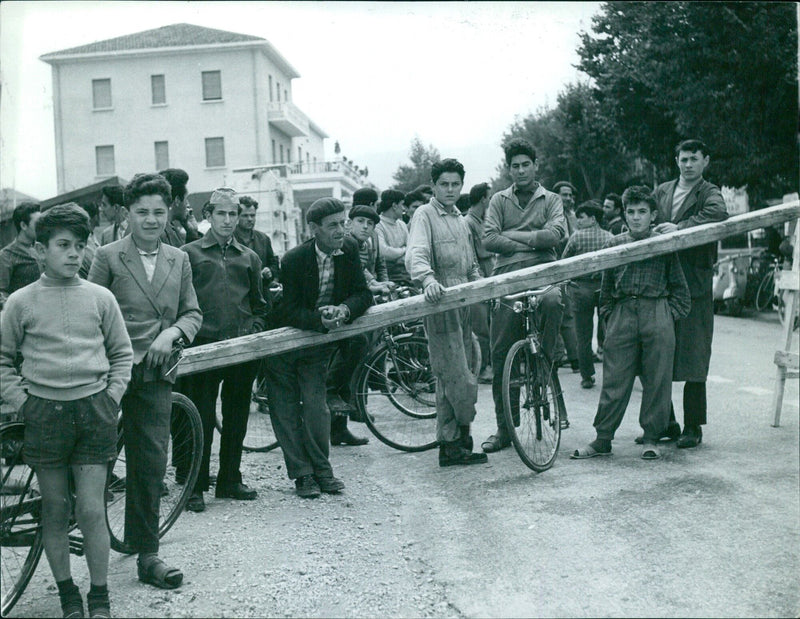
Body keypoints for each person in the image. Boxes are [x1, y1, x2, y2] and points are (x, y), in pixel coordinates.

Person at [0, 204, 133, 618]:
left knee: (91, 509)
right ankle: (67, 594)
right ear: (40, 250)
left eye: (81, 244)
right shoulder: (21, 302)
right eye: (63, 245)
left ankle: (99, 594)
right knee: (54, 508)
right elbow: (3, 360)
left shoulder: (100, 297)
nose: (74, 253)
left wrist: (112, 395)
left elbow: (122, 353)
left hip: (95, 411)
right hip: (45, 413)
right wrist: (24, 402)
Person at [88, 173, 202, 591]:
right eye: (142, 212)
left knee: (151, 461)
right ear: (127, 214)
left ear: (169, 211)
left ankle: (148, 553)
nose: (151, 220)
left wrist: (171, 334)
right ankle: (85, 547)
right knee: (93, 460)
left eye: (158, 212)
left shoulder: (179, 258)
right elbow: (90, 311)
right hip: (111, 370)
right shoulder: (108, 256)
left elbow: (192, 312)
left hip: (156, 373)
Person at [571, 186, 690, 461]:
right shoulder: (613, 245)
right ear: (624, 214)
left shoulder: (663, 245)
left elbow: (680, 291)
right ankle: (602, 439)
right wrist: (611, 317)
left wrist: (666, 315)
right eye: (631, 212)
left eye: (642, 212)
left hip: (656, 310)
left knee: (657, 379)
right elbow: (606, 288)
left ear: (653, 215)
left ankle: (651, 437)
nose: (636, 218)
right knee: (614, 378)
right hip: (623, 312)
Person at [264, 197, 372, 497]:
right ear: (314, 229)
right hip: (283, 347)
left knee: (316, 409)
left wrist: (344, 310)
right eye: (333, 225)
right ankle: (303, 476)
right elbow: (285, 310)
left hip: (316, 345)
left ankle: (323, 472)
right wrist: (319, 319)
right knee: (285, 410)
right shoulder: (294, 260)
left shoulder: (349, 250)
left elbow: (363, 294)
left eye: (343, 222)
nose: (341, 230)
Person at [180, 188, 269, 512]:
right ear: (208, 215)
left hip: (241, 350)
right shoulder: (188, 254)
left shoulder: (250, 256)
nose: (229, 220)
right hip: (202, 349)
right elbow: (179, 303)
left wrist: (255, 330)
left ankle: (230, 479)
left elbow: (260, 305)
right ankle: (195, 486)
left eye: (233, 214)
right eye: (222, 213)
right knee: (199, 418)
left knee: (236, 417)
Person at [482, 138, 568, 453]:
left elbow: (556, 235)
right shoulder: (498, 200)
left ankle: (544, 365)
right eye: (515, 166)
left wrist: (513, 236)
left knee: (552, 301)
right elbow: (489, 239)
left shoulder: (552, 199)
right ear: (509, 169)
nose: (520, 170)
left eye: (525, 164)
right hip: (506, 278)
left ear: (535, 166)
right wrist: (534, 240)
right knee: (501, 352)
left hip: (544, 271)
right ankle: (505, 430)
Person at [406, 158, 487, 467]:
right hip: (440, 302)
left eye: (456, 184)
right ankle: (455, 444)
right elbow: (417, 253)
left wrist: (480, 284)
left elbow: (472, 264)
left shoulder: (460, 219)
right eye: (444, 184)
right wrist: (427, 280)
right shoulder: (424, 215)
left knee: (462, 371)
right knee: (455, 376)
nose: (450, 190)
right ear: (434, 185)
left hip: (463, 301)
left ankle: (455, 445)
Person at [652, 139, 728, 448]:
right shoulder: (662, 191)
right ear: (676, 161)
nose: (688, 164)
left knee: (695, 353)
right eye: (683, 159)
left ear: (705, 161)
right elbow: (648, 216)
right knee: (658, 351)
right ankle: (665, 422)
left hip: (695, 281)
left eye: (694, 159)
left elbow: (718, 213)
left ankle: (693, 426)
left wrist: (679, 227)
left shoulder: (710, 192)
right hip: (663, 281)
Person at [561, 201, 613, 389]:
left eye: (581, 217)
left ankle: (587, 376)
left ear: (593, 219)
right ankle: (612, 372)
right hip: (604, 287)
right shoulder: (609, 237)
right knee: (610, 332)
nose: (578, 221)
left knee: (582, 335)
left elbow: (564, 262)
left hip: (580, 288)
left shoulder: (576, 238)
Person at [464, 182, 495, 384]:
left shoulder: (480, 221)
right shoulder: (468, 222)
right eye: (489, 198)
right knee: (480, 326)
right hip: (477, 277)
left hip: (488, 273)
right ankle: (481, 368)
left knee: (490, 324)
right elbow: (473, 254)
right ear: (483, 199)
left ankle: (488, 365)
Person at [552, 180, 580, 372]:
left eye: (570, 195)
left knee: (568, 315)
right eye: (564, 194)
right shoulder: (553, 215)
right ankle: (557, 356)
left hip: (571, 269)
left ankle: (574, 358)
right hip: (555, 265)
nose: (568, 198)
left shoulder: (573, 215)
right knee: (557, 312)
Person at [0, 201, 42, 309]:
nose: (42, 227)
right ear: (23, 225)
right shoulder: (6, 255)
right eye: (38, 223)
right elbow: (1, 292)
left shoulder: (42, 249)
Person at [234, 195, 281, 287]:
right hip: (239, 293)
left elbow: (273, 263)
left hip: (261, 293)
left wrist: (269, 271)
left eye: (252, 215)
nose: (250, 219)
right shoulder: (229, 239)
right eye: (245, 216)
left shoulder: (263, 239)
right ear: (237, 216)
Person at [375, 189, 413, 287]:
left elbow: (411, 249)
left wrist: (397, 254)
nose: (404, 208)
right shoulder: (377, 225)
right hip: (387, 278)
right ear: (394, 206)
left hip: (406, 275)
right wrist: (404, 250)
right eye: (402, 204)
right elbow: (383, 253)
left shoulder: (402, 224)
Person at [158, 168, 201, 246]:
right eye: (186, 199)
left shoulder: (170, 229)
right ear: (177, 200)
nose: (188, 204)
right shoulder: (162, 234)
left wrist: (192, 233)